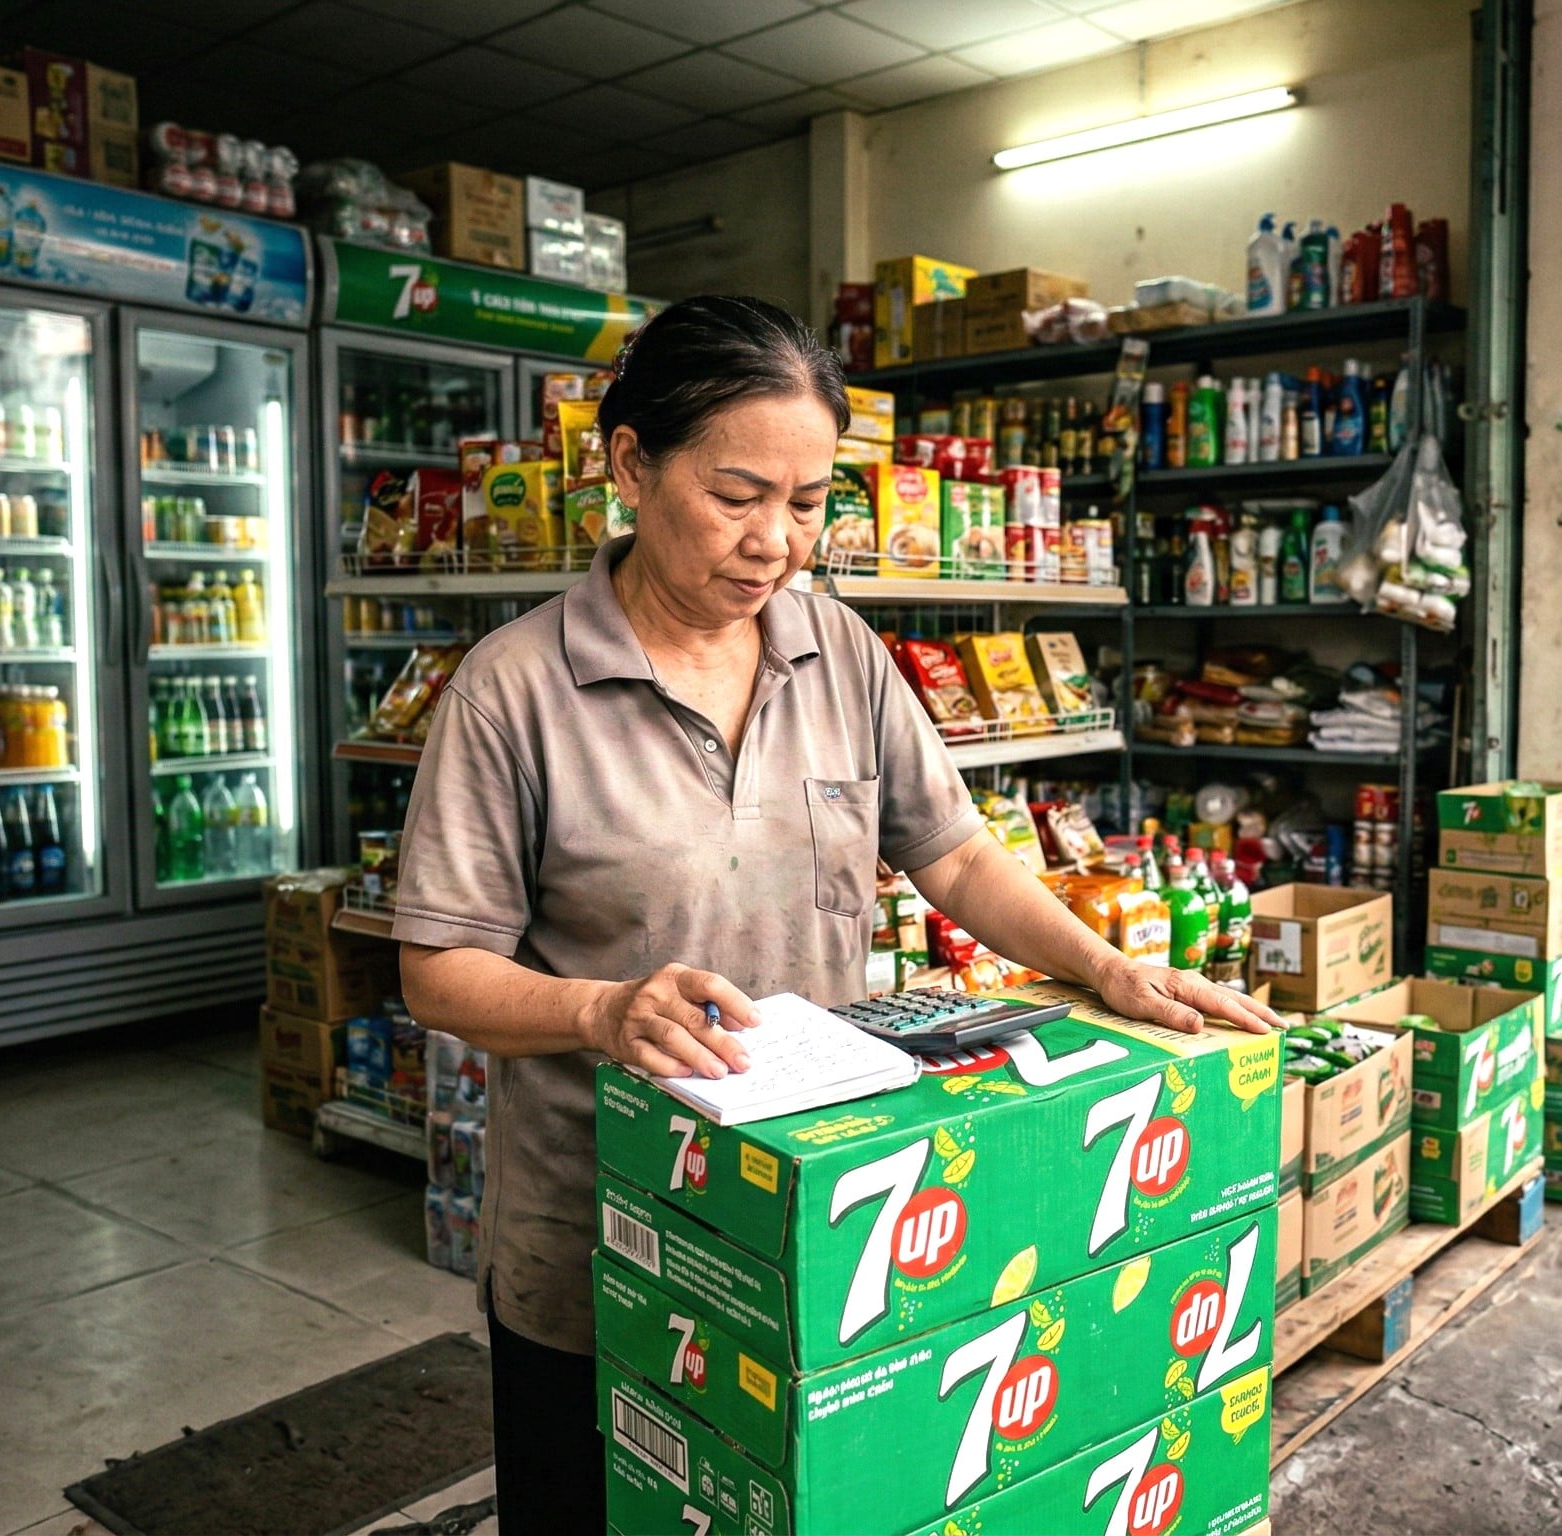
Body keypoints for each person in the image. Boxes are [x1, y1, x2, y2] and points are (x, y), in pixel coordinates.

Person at [392, 295, 1280, 1534]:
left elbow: (958, 858)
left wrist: (1105, 968)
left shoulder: (841, 652)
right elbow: (438, 973)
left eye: (809, 504)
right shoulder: (513, 692)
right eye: (739, 494)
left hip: (817, 1209)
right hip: (605, 1235)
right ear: (631, 463)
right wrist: (602, 1009)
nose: (777, 544)